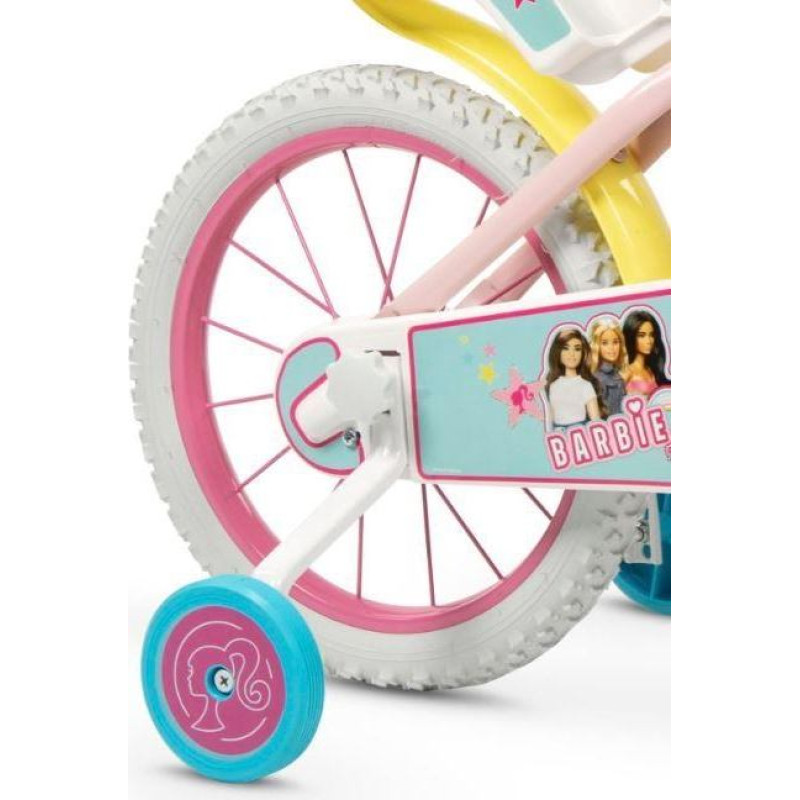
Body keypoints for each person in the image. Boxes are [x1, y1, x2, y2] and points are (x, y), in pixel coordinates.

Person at [544, 327, 601, 431]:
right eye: (566, 348)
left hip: (579, 433)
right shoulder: (552, 385)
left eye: (577, 349)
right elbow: (550, 418)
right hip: (558, 435)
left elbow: (596, 422)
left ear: (583, 353)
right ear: (558, 352)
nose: (572, 354)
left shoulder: (585, 385)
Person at [622, 310, 670, 397]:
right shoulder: (628, 372)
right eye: (641, 335)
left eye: (651, 335)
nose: (648, 341)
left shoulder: (652, 370)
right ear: (631, 337)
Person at [589, 316, 628, 417]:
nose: (611, 348)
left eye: (615, 342)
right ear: (597, 346)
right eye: (604, 343)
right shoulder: (596, 378)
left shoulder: (617, 373)